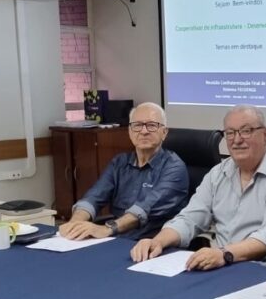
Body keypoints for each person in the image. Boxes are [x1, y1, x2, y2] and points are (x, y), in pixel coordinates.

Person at [130, 105, 266, 269]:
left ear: (265, 135)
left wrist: (224, 254)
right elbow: (189, 218)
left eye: (246, 131)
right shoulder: (218, 173)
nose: (237, 140)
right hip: (223, 266)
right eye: (230, 133)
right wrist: (158, 241)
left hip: (265, 272)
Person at [59, 102, 188, 241]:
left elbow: (143, 209)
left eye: (151, 125)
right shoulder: (119, 163)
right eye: (137, 125)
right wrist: (75, 223)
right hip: (116, 239)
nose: (144, 131)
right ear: (130, 132)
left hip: (151, 244)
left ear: (164, 132)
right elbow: (94, 197)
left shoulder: (174, 167)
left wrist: (107, 229)